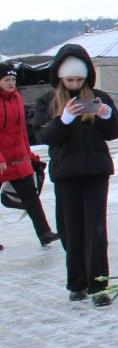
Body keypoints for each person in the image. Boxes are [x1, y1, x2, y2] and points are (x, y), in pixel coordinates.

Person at [35, 45, 118, 305]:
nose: (74, 85)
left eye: (79, 79)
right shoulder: (48, 100)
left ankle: (98, 286)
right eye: (69, 80)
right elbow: (42, 136)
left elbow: (115, 132)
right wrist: (63, 121)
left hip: (96, 172)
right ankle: (77, 283)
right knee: (71, 230)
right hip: (66, 175)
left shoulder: (99, 97)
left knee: (96, 230)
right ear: (60, 78)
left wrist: (106, 116)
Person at [0, 63, 58, 248]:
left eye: (13, 79)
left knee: (31, 196)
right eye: (6, 80)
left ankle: (44, 233)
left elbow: (21, 130)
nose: (11, 83)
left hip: (17, 157)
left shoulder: (17, 97)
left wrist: (28, 153)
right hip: (0, 158)